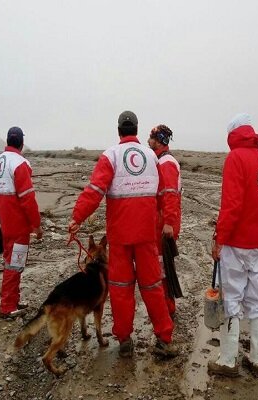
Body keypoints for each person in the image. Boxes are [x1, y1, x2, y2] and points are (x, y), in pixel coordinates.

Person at [68, 111, 177, 358]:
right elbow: (165, 194)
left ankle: (124, 339)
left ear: (119, 130)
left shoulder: (111, 156)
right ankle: (164, 338)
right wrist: (168, 221)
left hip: (119, 238)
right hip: (147, 236)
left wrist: (77, 218)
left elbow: (94, 191)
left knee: (120, 289)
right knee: (152, 287)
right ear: (136, 130)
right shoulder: (152, 156)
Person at [209, 114, 258, 378]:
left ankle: (228, 361)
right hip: (256, 244)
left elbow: (232, 206)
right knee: (256, 298)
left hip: (236, 244)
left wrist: (220, 239)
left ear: (232, 136)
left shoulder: (235, 158)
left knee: (233, 299)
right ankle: (256, 359)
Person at [0, 126, 43, 318]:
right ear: (21, 143)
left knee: (10, 261)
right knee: (15, 264)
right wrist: (36, 225)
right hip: (19, 224)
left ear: (7, 141)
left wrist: (1, 218)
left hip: (6, 221)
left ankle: (12, 300)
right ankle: (8, 306)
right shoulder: (20, 163)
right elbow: (28, 198)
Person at [147, 124, 182, 316]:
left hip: (164, 224)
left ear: (158, 140)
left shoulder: (166, 162)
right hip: (163, 221)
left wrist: (168, 222)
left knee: (163, 267)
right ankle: (166, 306)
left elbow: (170, 194)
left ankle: (167, 308)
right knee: (162, 265)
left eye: (151, 137)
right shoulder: (161, 160)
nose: (148, 141)